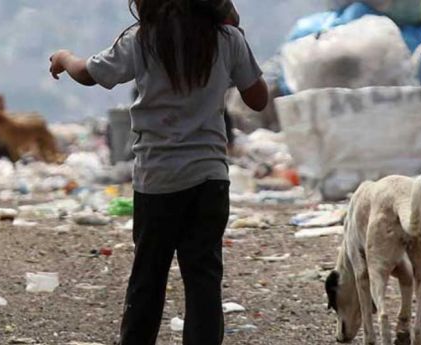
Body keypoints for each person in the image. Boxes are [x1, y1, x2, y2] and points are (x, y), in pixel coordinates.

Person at [48, 0, 268, 344]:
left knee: (148, 277)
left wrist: (63, 58)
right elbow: (257, 98)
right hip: (209, 179)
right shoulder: (227, 39)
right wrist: (234, 28)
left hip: (157, 179)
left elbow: (89, 74)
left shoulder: (142, 39)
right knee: (203, 279)